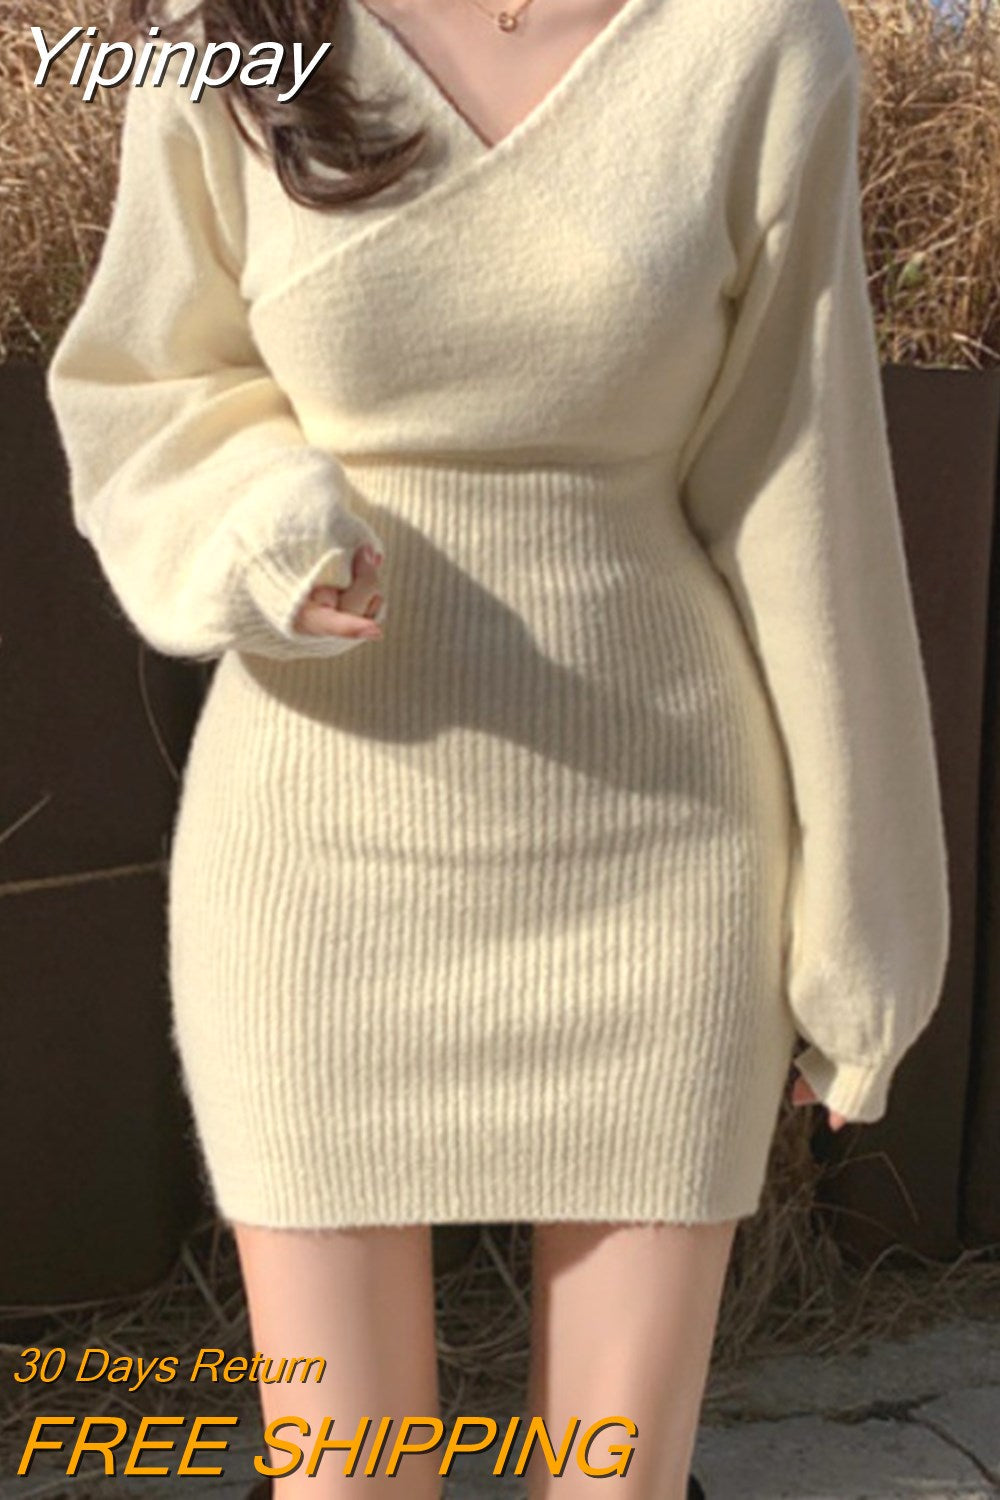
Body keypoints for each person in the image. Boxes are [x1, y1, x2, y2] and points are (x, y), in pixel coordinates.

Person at [45, 0, 951, 1494]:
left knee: (614, 1479)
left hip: (662, 855)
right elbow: (146, 383)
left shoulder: (757, 41)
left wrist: (868, 930)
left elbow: (806, 478)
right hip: (313, 864)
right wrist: (264, 530)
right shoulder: (231, 32)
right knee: (348, 1476)